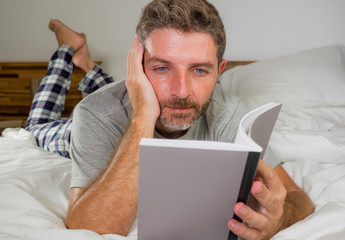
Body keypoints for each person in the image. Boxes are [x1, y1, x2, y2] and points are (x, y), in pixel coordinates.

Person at [27, 1, 314, 239]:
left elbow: (296, 198)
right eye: (162, 68)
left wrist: (280, 217)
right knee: (33, 129)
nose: (181, 91)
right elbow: (90, 228)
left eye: (200, 71)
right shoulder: (94, 114)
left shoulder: (227, 111)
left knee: (122, 93)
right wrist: (142, 117)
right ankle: (67, 50)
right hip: (64, 135)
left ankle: (88, 65)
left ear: (219, 71)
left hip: (123, 97)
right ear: (137, 68)